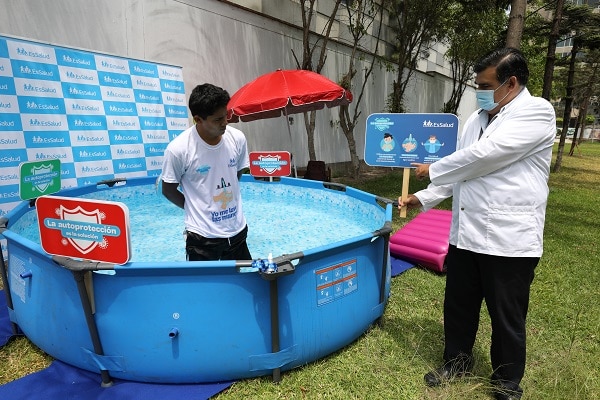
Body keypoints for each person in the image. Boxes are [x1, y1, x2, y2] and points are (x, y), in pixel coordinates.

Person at [398, 48, 555, 400]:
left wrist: (433, 168)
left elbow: (485, 156)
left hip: (508, 240)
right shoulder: (476, 119)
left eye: (485, 86)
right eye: (477, 85)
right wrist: (422, 197)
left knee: (506, 316)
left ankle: (506, 384)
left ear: (511, 83)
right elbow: (464, 169)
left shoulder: (537, 112)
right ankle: (456, 362)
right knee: (459, 306)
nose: (479, 92)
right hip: (466, 234)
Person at [161, 83, 252, 261]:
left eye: (225, 116)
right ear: (198, 119)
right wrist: (196, 208)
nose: (225, 123)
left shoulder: (237, 139)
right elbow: (168, 190)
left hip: (238, 232)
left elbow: (236, 175)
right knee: (202, 281)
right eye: (218, 120)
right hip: (202, 239)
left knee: (246, 278)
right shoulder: (178, 149)